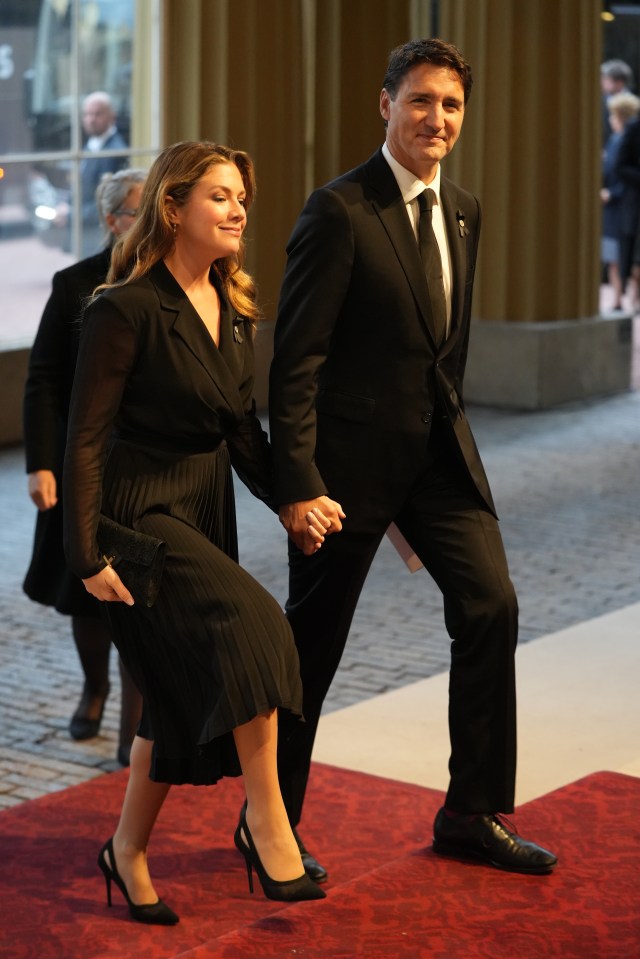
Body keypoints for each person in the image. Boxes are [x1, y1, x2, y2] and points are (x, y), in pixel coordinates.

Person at [269, 38, 558, 881]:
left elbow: (445, 355)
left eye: (452, 106)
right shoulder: (339, 211)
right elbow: (296, 364)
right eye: (422, 100)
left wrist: (434, 471)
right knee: (311, 648)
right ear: (386, 105)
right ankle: (273, 820)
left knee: (491, 604)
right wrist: (298, 483)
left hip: (440, 463)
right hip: (345, 473)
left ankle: (471, 812)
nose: (438, 118)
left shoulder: (463, 208)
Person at [62, 141, 327, 925]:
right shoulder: (124, 307)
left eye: (242, 195)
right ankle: (268, 824)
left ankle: (127, 851)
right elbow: (83, 438)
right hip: (138, 517)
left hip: (203, 505)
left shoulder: (234, 305)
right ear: (172, 208)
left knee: (176, 704)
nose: (239, 208)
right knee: (259, 629)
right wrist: (85, 555)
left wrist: (294, 498)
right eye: (219, 195)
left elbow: (241, 432)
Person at [23, 168, 147, 767]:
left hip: (143, 471)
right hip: (82, 464)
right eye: (137, 211)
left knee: (137, 600)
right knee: (85, 597)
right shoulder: (74, 284)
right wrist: (41, 465)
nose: (149, 223)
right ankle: (94, 689)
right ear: (110, 219)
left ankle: (133, 732)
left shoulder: (170, 278)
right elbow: (45, 380)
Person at [601, 92, 640, 310]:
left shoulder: (622, 138)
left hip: (623, 205)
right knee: (615, 257)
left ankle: (624, 298)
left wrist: (611, 193)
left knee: (621, 256)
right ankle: (621, 299)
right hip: (618, 205)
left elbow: (620, 170)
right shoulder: (617, 139)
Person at [80, 92, 128, 256]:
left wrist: (73, 214)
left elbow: (110, 201)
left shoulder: (115, 151)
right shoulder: (91, 145)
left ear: (111, 116)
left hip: (100, 234)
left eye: (97, 114)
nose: (91, 119)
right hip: (86, 232)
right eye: (87, 114)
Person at [615, 108, 640, 312]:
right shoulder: (634, 128)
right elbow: (620, 166)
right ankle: (634, 298)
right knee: (634, 256)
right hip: (636, 203)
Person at [600, 59, 634, 146]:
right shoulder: (598, 102)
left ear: (619, 82)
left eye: (605, 79)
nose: (601, 82)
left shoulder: (635, 104)